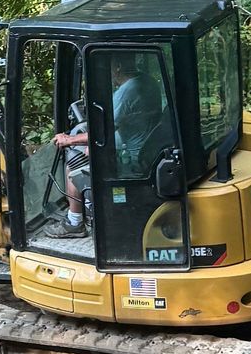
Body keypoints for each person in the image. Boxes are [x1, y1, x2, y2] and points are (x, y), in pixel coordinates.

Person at [52, 54, 169, 233]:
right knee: (86, 147)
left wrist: (69, 140)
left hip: (134, 156)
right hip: (149, 144)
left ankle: (74, 222)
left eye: (109, 67)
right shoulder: (147, 81)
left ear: (118, 67)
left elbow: (103, 131)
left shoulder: (127, 91)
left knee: (73, 166)